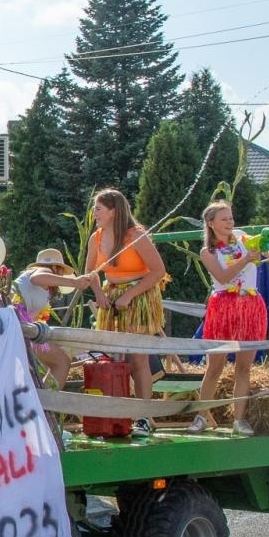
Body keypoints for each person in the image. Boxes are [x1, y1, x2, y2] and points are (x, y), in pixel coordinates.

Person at [188, 200, 269, 436]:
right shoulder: (208, 252)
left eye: (231, 218)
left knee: (244, 367)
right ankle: (201, 417)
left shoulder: (242, 237)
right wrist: (245, 259)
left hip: (250, 304)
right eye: (224, 219)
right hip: (223, 306)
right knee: (215, 366)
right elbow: (222, 277)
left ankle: (239, 420)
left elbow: (266, 256)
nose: (230, 222)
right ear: (211, 224)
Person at [84, 187, 167, 438]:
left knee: (138, 359)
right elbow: (91, 273)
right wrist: (99, 294)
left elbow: (157, 271)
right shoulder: (96, 238)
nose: (94, 213)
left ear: (114, 211)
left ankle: (142, 415)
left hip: (138, 296)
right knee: (114, 358)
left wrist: (130, 295)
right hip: (110, 297)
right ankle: (117, 413)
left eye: (98, 208)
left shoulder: (136, 235)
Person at [11, 247, 98, 388]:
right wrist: (74, 282)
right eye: (61, 271)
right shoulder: (44, 271)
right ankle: (45, 406)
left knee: (48, 363)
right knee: (62, 362)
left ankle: (41, 401)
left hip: (19, 326)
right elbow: (37, 278)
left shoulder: (42, 291)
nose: (62, 276)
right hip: (16, 324)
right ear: (55, 268)